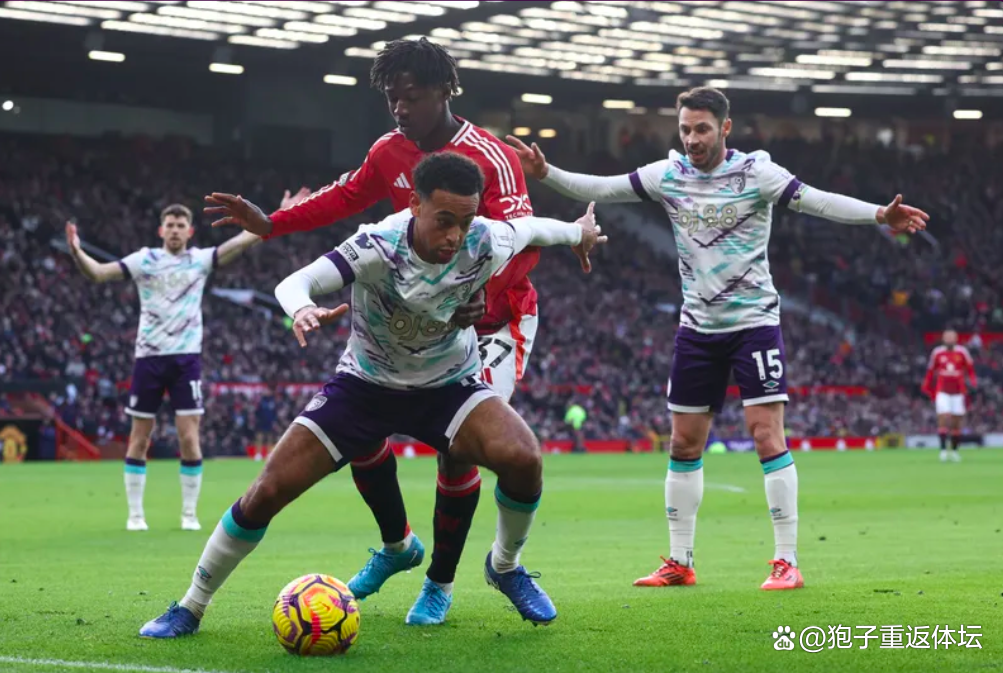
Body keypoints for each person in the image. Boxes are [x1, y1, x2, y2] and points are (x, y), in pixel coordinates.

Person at [138, 152, 606, 638]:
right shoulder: (375, 245)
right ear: (415, 204)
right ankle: (190, 606)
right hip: (366, 385)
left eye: (464, 221)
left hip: (449, 385)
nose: (455, 235)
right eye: (444, 220)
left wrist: (580, 233)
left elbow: (533, 229)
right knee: (266, 492)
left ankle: (505, 566)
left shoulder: (486, 237)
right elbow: (295, 282)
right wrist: (302, 309)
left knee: (524, 457)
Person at [508, 86, 928, 591]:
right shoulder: (669, 175)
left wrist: (880, 214)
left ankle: (786, 560)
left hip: (754, 323)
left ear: (725, 128)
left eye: (702, 129)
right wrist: (547, 173)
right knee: (684, 442)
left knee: (765, 433)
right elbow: (603, 186)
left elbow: (818, 201)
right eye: (685, 129)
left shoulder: (757, 174)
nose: (692, 139)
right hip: (697, 329)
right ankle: (680, 561)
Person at [202, 38, 546, 625]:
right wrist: (272, 224)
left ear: (444, 91)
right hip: (405, 324)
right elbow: (345, 196)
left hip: (490, 321)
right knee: (362, 433)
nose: (399, 108)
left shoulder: (490, 156)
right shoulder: (389, 151)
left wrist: (474, 297)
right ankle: (396, 546)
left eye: (410, 96)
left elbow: (521, 238)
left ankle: (440, 583)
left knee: (459, 453)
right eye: (392, 97)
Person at [65, 204, 261, 531]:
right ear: (160, 230)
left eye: (180, 224)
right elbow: (98, 273)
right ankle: (135, 516)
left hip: (186, 360)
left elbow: (240, 242)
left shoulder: (199, 260)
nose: (174, 229)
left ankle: (188, 515)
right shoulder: (144, 260)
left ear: (189, 231)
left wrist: (280, 217)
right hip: (149, 359)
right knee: (139, 438)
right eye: (169, 224)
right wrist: (75, 251)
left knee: (189, 437)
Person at [921, 329, 976, 463]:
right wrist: (926, 385)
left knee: (956, 423)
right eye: (947, 337)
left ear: (956, 339)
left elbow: (970, 369)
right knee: (943, 417)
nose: (950, 339)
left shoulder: (962, 352)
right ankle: (943, 451)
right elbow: (930, 370)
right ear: (943, 339)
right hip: (943, 391)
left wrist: (973, 382)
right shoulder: (937, 352)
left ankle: (955, 451)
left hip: (958, 392)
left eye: (952, 337)